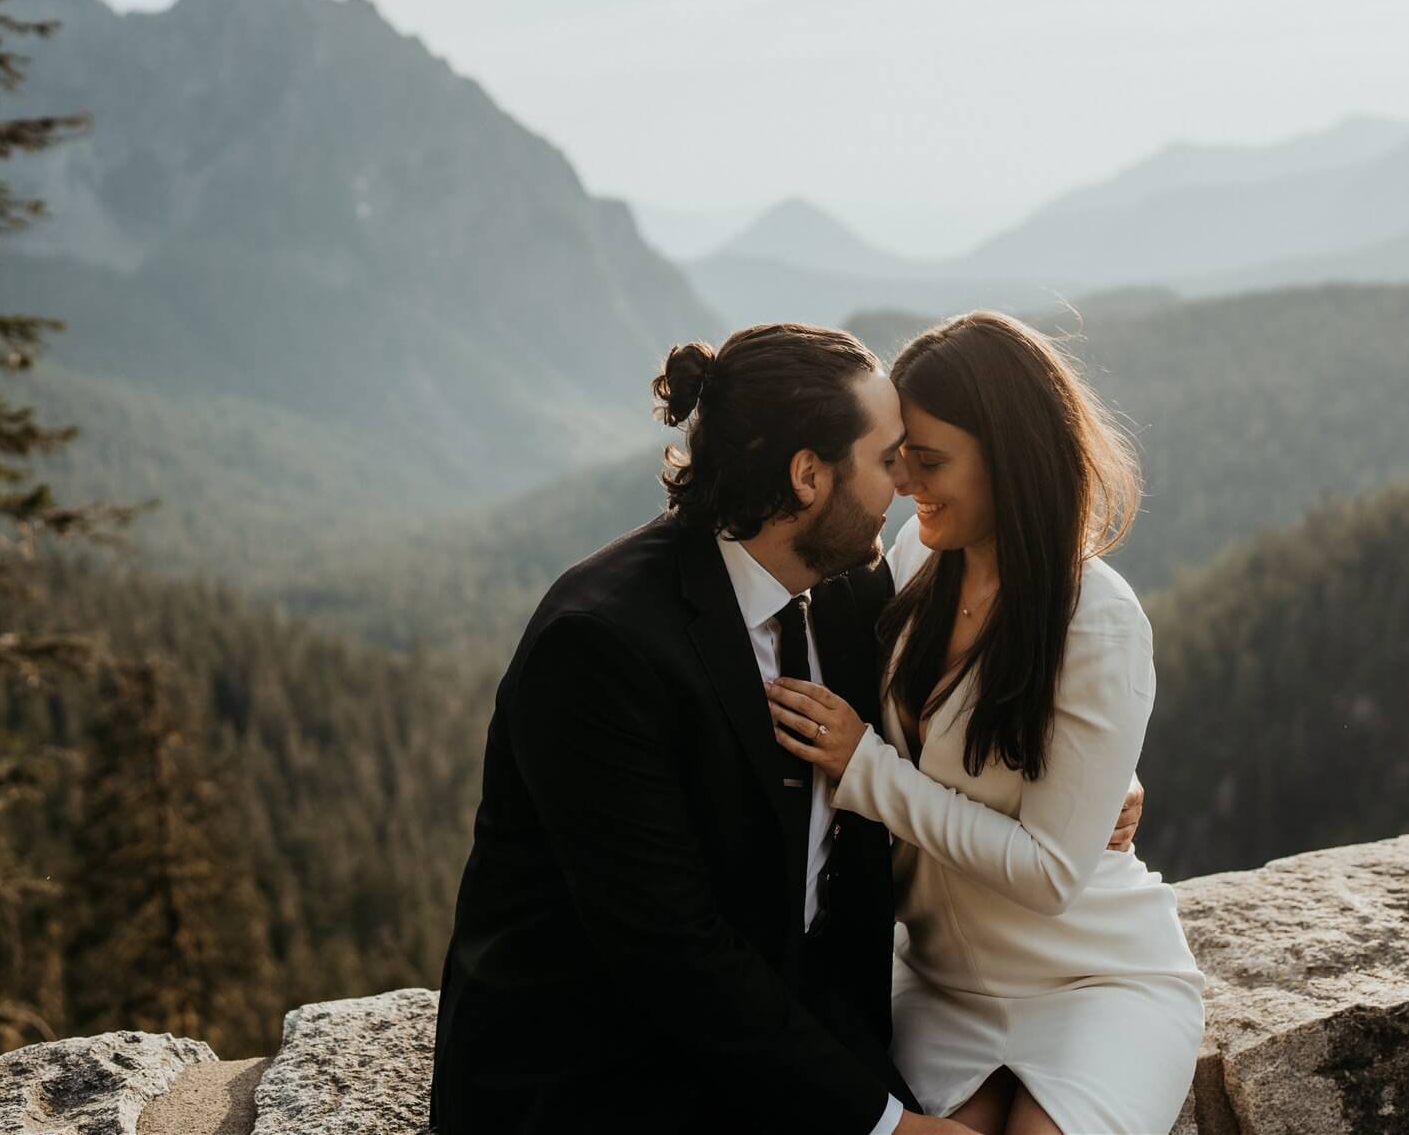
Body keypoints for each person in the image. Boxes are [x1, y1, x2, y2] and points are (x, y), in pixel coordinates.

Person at [428, 321, 1145, 1135]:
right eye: (887, 458)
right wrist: (887, 1127)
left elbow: (957, 715)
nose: (904, 483)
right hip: (604, 1069)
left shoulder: (851, 590)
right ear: (808, 476)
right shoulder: (600, 647)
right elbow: (672, 953)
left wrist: (1100, 782)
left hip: (797, 1022)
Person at [767, 311, 1206, 1135]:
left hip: (1094, 981)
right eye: (900, 458)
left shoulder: (1096, 621)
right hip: (938, 981)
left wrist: (870, 773)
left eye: (929, 462)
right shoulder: (914, 560)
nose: (904, 483)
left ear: (1009, 457)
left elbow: (1049, 874)